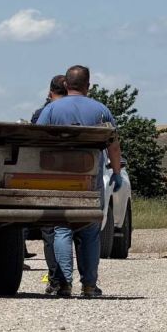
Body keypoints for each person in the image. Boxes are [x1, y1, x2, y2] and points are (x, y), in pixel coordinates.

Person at [37, 65, 123, 297]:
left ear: (66, 84)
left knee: (62, 228)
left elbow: (35, 142)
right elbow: (114, 146)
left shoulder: (51, 109)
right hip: (90, 180)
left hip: (58, 180)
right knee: (90, 230)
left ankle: (64, 283)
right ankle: (89, 285)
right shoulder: (101, 110)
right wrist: (116, 172)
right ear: (88, 86)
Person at [28, 75, 67, 273]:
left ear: (50, 92)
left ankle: (56, 276)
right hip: (75, 176)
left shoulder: (41, 114)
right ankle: (86, 279)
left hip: (47, 176)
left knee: (50, 229)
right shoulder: (82, 110)